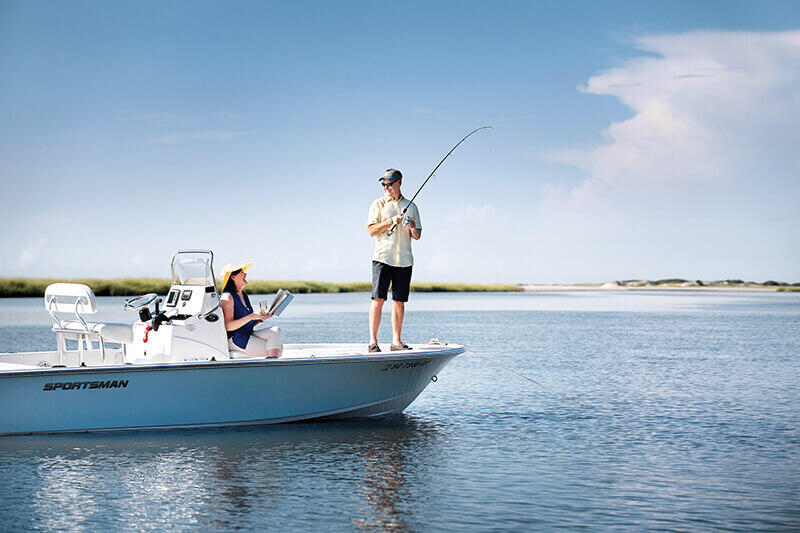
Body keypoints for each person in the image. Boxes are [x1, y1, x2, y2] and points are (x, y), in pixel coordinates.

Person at [366, 169, 422, 352]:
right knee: (378, 299)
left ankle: (396, 342)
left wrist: (412, 226)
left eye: (389, 184)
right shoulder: (378, 204)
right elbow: (372, 231)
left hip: (404, 260)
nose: (386, 187)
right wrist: (390, 221)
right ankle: (373, 342)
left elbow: (417, 235)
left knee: (399, 302)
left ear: (399, 183)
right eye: (383, 184)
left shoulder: (411, 206)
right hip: (383, 258)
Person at [219, 262, 282, 358]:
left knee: (275, 331)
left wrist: (260, 319)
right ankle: (271, 367)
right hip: (236, 340)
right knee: (278, 349)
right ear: (233, 277)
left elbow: (247, 323)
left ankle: (271, 362)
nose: (245, 274)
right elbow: (228, 326)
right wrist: (252, 316)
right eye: (242, 272)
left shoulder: (244, 295)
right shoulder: (227, 297)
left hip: (247, 334)